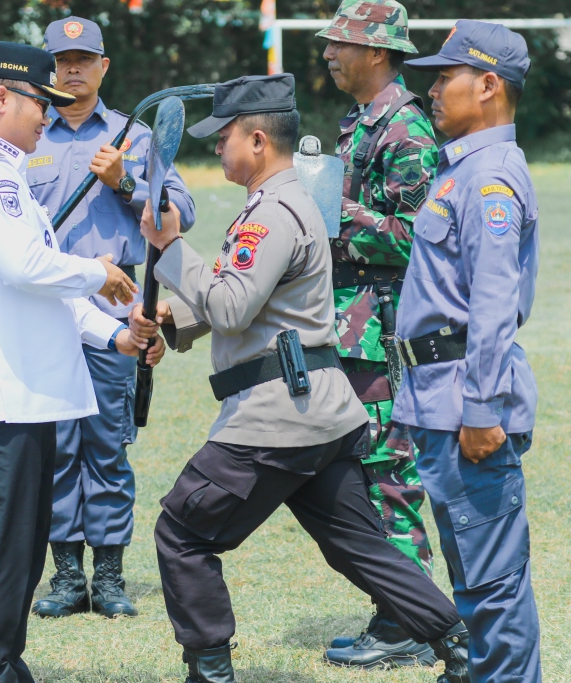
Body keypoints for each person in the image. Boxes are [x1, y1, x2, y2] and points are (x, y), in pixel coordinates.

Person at [131, 74, 468, 683]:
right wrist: (173, 315)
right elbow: (265, 301)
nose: (216, 147)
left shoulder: (274, 212)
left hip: (276, 416)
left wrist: (171, 248)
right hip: (323, 414)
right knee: (359, 546)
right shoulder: (287, 203)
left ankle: (209, 670)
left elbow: (233, 305)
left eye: (224, 137)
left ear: (258, 140)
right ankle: (461, 646)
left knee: (182, 531)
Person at [0, 41, 163, 683]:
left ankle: (3, 661)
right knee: (3, 550)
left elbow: (46, 288)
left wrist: (115, 336)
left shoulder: (2, 170)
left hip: (21, 394)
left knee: (24, 550)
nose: (47, 116)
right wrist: (101, 271)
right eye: (41, 102)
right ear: (1, 97)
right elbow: (26, 266)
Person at [25, 15, 196, 620]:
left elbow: (183, 216)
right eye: (62, 60)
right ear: (49, 67)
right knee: (54, 448)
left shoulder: (135, 137)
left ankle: (111, 574)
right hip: (44, 317)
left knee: (106, 448)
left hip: (116, 321)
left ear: (103, 66)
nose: (72, 69)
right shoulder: (28, 132)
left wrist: (127, 183)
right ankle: (67, 575)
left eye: (84, 59)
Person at [394, 20, 542, 683]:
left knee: (492, 585)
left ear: (488, 85)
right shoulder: (466, 170)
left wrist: (483, 407)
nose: (432, 89)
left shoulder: (491, 179)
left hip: (466, 405)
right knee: (472, 579)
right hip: (439, 397)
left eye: (445, 76)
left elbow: (491, 303)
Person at [315, 0, 446, 669]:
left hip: (385, 330)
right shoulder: (361, 123)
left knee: (388, 470)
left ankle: (411, 620)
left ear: (377, 51)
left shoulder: (407, 130)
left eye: (341, 44)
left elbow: (422, 238)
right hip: (353, 322)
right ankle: (396, 609)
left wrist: (339, 210)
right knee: (365, 472)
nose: (330, 54)